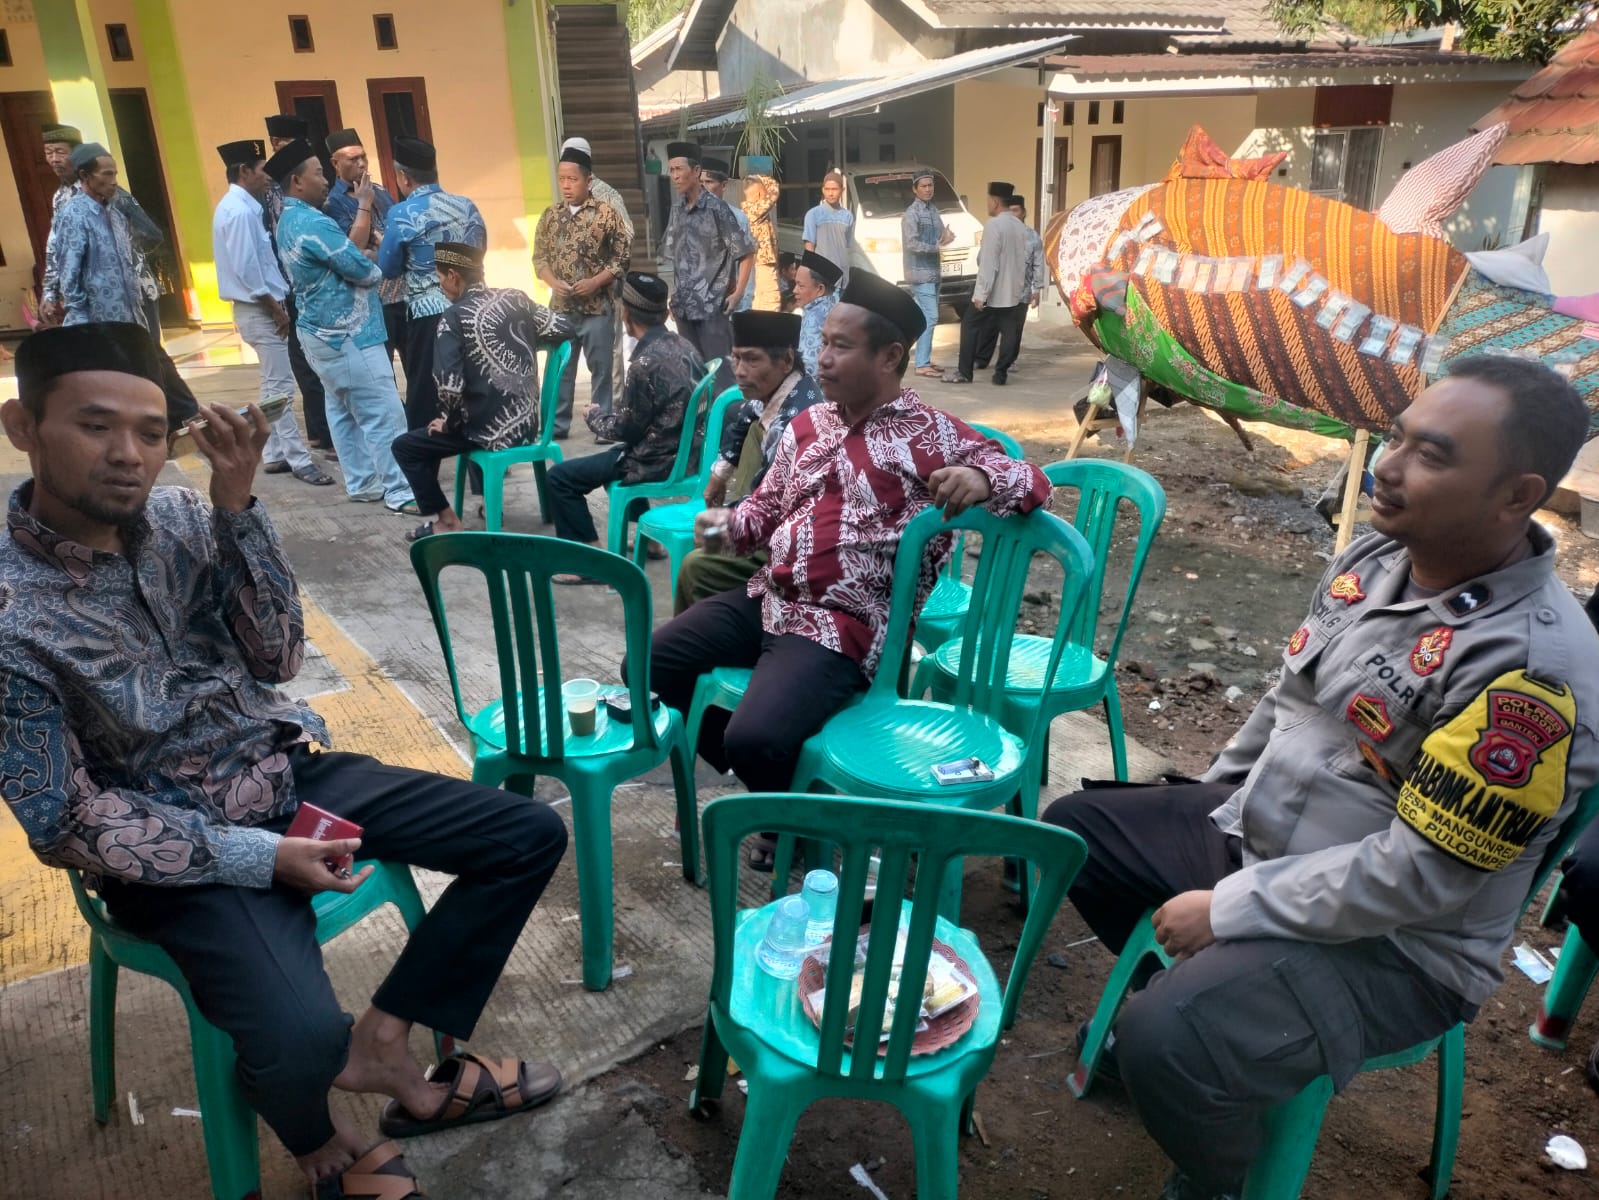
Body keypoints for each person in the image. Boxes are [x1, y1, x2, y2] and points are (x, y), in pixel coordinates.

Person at [0, 322, 569, 1200]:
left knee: (525, 834)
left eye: (150, 433)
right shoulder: (11, 617)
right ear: (23, 427)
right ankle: (316, 1138)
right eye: (95, 425)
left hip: (280, 771)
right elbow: (64, 820)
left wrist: (236, 506)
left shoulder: (182, 517)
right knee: (302, 1040)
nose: (128, 456)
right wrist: (258, 858)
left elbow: (276, 658)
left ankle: (383, 1044)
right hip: (172, 847)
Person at [1043, 355, 1599, 1200]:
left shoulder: (1531, 673)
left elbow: (1422, 878)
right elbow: (1289, 698)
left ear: (1516, 496)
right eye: (1396, 438)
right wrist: (1213, 801)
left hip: (1401, 946)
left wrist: (1228, 908)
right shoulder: (1376, 557)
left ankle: (1220, 1172)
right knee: (1081, 837)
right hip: (1271, 844)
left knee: (1166, 1039)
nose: (1388, 467)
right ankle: (1208, 1023)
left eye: (1431, 455)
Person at [642, 273, 1051, 865]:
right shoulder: (809, 425)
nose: (823, 359)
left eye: (841, 346)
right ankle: (788, 794)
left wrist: (981, 476)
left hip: (844, 625)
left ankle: (788, 817)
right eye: (823, 342)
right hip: (771, 598)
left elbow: (1034, 481)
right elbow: (766, 509)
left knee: (754, 736)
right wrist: (725, 525)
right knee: (648, 664)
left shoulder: (932, 435)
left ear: (890, 357)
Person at [268, 138, 418, 515]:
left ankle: (363, 483)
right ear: (297, 182)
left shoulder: (288, 219)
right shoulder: (314, 222)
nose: (325, 181)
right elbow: (363, 270)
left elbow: (349, 260)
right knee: (383, 411)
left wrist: (361, 255)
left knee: (342, 409)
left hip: (318, 333)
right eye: (319, 173)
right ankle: (401, 490)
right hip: (348, 332)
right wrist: (372, 258)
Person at [391, 243, 573, 542]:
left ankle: (447, 521)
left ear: (453, 276)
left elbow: (449, 386)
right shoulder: (517, 298)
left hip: (484, 431)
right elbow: (563, 327)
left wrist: (448, 423)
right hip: (528, 426)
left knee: (405, 447)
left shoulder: (454, 317)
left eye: (440, 277)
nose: (440, 285)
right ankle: (489, 504)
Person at [543, 272, 702, 576]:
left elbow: (626, 430)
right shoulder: (685, 346)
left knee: (561, 478)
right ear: (663, 314)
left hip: (655, 461)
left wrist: (594, 416)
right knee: (614, 458)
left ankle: (590, 561)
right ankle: (651, 543)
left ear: (625, 313)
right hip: (686, 454)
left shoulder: (644, 364)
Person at [674, 309, 823, 614]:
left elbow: (771, 506)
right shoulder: (785, 388)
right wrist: (718, 476)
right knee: (751, 426)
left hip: (790, 539)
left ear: (786, 360)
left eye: (752, 360)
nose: (740, 371)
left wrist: (726, 521)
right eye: (736, 359)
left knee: (696, 565)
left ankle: (710, 628)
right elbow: (744, 418)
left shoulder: (797, 423)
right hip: (765, 508)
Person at [210, 138, 333, 488]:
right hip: (260, 308)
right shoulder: (239, 211)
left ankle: (274, 452)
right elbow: (248, 270)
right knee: (282, 389)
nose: (268, 177)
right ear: (244, 171)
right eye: (262, 170)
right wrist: (276, 310)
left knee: (271, 384)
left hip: (257, 307)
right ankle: (299, 459)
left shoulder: (241, 206)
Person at [379, 136, 488, 430]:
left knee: (426, 393)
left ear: (404, 177)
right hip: (475, 308)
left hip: (428, 315)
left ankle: (427, 452)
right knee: (474, 382)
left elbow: (388, 268)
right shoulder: (466, 206)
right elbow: (479, 250)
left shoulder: (401, 213)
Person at [532, 144, 631, 439]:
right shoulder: (550, 216)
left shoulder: (606, 214)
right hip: (561, 309)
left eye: (572, 179)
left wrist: (596, 281)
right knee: (560, 370)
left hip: (597, 308)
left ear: (588, 181)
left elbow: (621, 259)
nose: (566, 185)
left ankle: (602, 425)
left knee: (601, 370)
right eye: (562, 179)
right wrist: (552, 281)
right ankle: (556, 425)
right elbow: (540, 259)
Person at [263, 113, 333, 454]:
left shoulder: (310, 187)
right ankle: (320, 431)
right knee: (303, 364)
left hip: (307, 282)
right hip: (287, 285)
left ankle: (324, 430)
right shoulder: (269, 192)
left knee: (317, 362)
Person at [661, 140, 754, 384]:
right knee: (694, 378)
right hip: (683, 310)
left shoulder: (717, 209)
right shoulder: (677, 209)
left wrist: (738, 294)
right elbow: (676, 258)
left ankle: (729, 411)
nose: (675, 176)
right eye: (671, 170)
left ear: (696, 171)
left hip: (712, 309)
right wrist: (674, 297)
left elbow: (746, 252)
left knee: (721, 376)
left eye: (679, 169)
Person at [323, 127, 407, 366]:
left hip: (402, 293)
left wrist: (379, 250)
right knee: (383, 368)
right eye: (353, 159)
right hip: (373, 301)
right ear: (335, 163)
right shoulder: (332, 203)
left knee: (418, 367)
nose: (361, 164)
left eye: (363, 157)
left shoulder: (379, 190)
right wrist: (364, 203)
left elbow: (397, 234)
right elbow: (353, 251)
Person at [560, 135, 635, 399]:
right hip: (570, 294)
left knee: (609, 350)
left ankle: (612, 407)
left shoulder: (607, 196)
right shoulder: (567, 197)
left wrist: (599, 274)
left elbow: (627, 235)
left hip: (604, 290)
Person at [947, 181, 1030, 387]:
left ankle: (964, 372)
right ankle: (1000, 374)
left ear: (994, 202)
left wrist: (981, 293)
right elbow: (1023, 260)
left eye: (988, 200)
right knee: (1009, 331)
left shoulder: (993, 225)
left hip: (993, 290)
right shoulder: (1020, 226)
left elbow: (988, 262)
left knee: (970, 325)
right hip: (1013, 290)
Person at [971, 193, 1047, 374]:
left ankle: (1009, 361)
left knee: (1014, 329)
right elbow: (983, 259)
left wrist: (1036, 289)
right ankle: (981, 359)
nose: (1012, 215)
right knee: (989, 326)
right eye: (1009, 211)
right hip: (996, 289)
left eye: (1016, 211)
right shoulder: (995, 232)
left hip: (1021, 291)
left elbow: (1038, 263)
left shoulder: (1032, 237)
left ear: (1023, 212)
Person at [901, 167, 954, 379]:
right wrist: (934, 247)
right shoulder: (911, 214)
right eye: (923, 186)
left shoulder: (933, 210)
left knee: (924, 318)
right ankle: (921, 363)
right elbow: (911, 243)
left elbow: (941, 235)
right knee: (931, 317)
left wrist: (947, 236)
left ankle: (923, 359)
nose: (928, 189)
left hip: (934, 271)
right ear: (915, 189)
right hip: (919, 273)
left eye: (930, 185)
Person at [38, 122, 82, 326]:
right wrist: (49, 292)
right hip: (82, 294)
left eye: (60, 152)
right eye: (49, 153)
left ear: (77, 154)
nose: (54, 159)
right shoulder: (60, 196)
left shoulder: (98, 187)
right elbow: (55, 244)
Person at [700, 158, 754, 312]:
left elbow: (745, 258)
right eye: (700, 182)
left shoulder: (736, 218)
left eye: (709, 182)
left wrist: (740, 296)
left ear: (723, 185)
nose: (703, 187)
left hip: (725, 302)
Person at [802, 170, 854, 290]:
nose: (831, 193)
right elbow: (809, 246)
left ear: (842, 190)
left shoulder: (848, 216)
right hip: (822, 272)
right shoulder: (813, 214)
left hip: (842, 272)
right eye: (827, 189)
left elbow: (848, 246)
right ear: (823, 190)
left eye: (834, 189)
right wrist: (811, 272)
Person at [794, 250, 841, 379]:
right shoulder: (834, 307)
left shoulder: (815, 318)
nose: (794, 290)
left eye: (800, 286)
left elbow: (808, 368)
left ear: (820, 289)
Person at [742, 173, 783, 312]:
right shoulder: (755, 210)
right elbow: (774, 189)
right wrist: (758, 177)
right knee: (770, 300)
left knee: (758, 301)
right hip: (762, 261)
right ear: (760, 194)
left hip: (757, 260)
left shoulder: (749, 210)